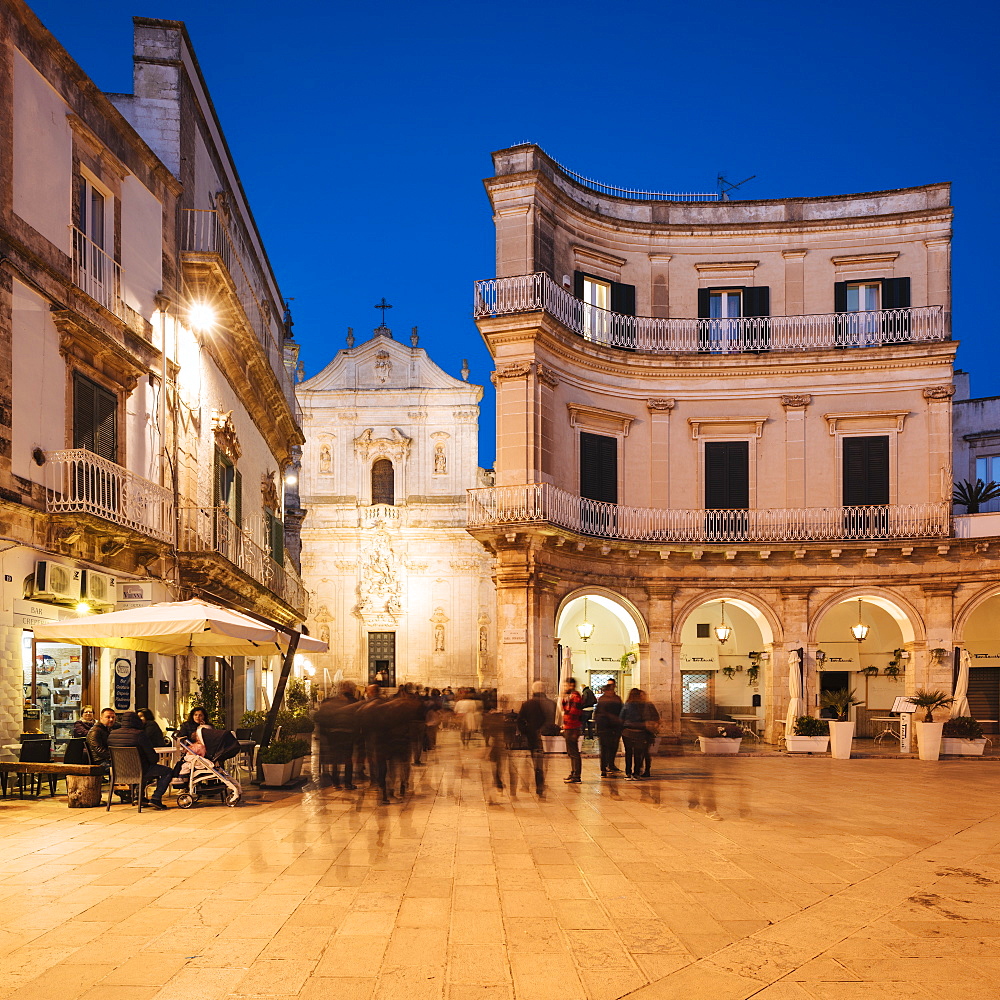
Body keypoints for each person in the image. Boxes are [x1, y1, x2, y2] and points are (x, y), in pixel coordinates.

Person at [107, 711, 173, 809]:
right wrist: (153, 760)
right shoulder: (139, 734)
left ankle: (139, 797)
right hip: (140, 770)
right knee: (167, 771)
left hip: (119, 771)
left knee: (144, 769)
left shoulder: (112, 734)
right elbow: (152, 757)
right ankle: (156, 798)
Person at [315, 681, 360, 789]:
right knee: (347, 759)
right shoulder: (353, 702)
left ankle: (335, 782)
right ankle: (347, 783)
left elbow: (320, 717)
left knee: (335, 759)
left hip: (333, 734)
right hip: (348, 733)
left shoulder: (330, 702)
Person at [517, 681, 556, 795]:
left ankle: (534, 784)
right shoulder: (552, 703)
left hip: (533, 736)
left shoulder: (528, 704)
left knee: (534, 761)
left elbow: (520, 720)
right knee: (543, 762)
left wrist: (526, 731)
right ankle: (541, 783)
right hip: (548, 736)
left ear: (533, 690)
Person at [619, 688, 660, 779]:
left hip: (627, 732)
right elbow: (649, 718)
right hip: (640, 732)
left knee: (628, 753)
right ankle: (636, 772)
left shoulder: (627, 705)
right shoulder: (644, 705)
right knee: (638, 753)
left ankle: (628, 772)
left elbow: (621, 718)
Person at [594, 681, 624, 777]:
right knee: (606, 748)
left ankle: (609, 765)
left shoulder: (613, 699)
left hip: (611, 727)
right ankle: (605, 767)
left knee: (611, 748)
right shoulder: (610, 699)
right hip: (607, 727)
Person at [560, 676, 584, 783]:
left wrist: (566, 725)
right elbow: (566, 710)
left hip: (572, 728)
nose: (565, 687)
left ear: (571, 685)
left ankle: (576, 776)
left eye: (566, 685)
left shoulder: (575, 697)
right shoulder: (571, 697)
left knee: (574, 752)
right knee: (571, 752)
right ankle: (574, 773)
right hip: (569, 727)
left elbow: (573, 713)